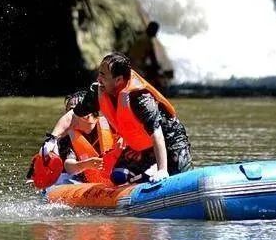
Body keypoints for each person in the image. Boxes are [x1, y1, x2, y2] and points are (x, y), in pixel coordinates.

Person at [51, 52, 191, 183]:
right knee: (118, 174)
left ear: (118, 80)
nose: (98, 79)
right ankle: (145, 178)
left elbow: (157, 134)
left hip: (169, 139)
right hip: (140, 145)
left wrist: (162, 170)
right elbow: (73, 115)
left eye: (103, 75)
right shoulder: (98, 92)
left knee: (178, 176)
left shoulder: (140, 98)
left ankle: (156, 170)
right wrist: (51, 139)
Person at [53, 91, 121, 184]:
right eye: (67, 112)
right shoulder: (68, 137)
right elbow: (69, 166)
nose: (68, 117)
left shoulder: (112, 125)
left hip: (117, 174)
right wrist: (84, 165)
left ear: (88, 112)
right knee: (63, 179)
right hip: (84, 181)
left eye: (72, 112)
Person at [127, 21, 174, 92]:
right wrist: (159, 69)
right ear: (152, 30)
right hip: (137, 66)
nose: (156, 33)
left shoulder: (140, 37)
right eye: (155, 30)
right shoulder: (147, 41)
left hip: (130, 63)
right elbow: (153, 59)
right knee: (154, 72)